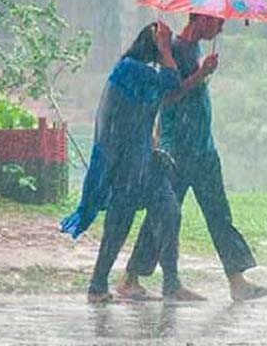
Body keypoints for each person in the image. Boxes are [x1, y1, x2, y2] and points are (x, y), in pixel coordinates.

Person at [120, 13, 267, 301]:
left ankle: (237, 281)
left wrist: (203, 72)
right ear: (201, 19)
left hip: (202, 148)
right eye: (218, 22)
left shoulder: (194, 49)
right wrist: (201, 74)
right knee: (163, 215)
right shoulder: (174, 50)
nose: (221, 27)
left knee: (218, 214)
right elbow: (168, 96)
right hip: (178, 150)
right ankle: (132, 278)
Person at [59, 21, 205, 303]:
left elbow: (158, 102)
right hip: (125, 165)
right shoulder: (130, 69)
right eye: (164, 44)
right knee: (119, 224)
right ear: (153, 45)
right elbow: (171, 81)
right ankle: (98, 285)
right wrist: (166, 50)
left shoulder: (143, 73)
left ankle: (171, 284)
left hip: (144, 162)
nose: (169, 50)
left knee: (169, 212)